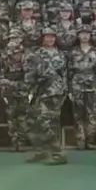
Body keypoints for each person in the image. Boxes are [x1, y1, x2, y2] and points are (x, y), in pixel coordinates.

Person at [24, 29, 68, 165]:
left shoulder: (60, 55)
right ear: (42, 38)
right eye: (47, 37)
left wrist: (64, 89)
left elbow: (64, 74)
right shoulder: (35, 54)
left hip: (54, 92)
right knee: (31, 121)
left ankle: (58, 153)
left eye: (52, 37)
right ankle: (41, 151)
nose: (50, 39)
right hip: (38, 91)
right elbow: (29, 73)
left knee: (46, 122)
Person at [67, 25, 96, 149]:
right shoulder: (73, 52)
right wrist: (70, 89)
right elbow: (69, 72)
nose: (85, 36)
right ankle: (80, 140)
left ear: (90, 35)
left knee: (91, 114)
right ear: (78, 36)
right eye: (82, 33)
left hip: (92, 85)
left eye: (87, 33)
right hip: (77, 85)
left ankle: (90, 140)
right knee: (78, 114)